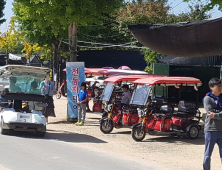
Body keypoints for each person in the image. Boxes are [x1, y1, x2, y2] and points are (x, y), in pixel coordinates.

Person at [203, 78, 222, 170]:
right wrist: (217, 114)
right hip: (211, 130)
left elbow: (213, 114)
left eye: (220, 86)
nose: (220, 88)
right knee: (207, 155)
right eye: (218, 86)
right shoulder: (207, 99)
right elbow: (210, 113)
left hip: (221, 130)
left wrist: (216, 115)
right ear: (211, 87)